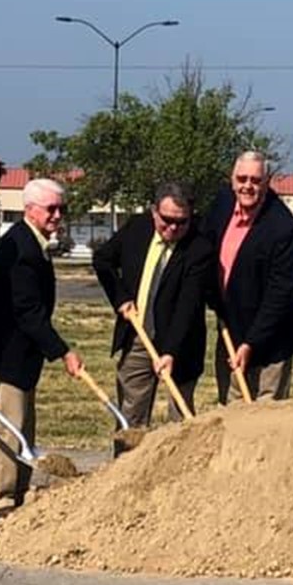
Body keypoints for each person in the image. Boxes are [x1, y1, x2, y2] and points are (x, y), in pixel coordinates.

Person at [0, 178, 85, 518]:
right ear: (30, 209)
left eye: (61, 208)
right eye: (51, 208)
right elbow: (28, 312)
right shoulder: (19, 251)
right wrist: (63, 351)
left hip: (20, 353)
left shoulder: (34, 244)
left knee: (24, 422)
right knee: (9, 424)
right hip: (2, 353)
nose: (57, 215)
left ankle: (17, 490)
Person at [92, 181, 212, 450]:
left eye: (182, 223)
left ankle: (173, 481)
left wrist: (170, 351)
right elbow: (102, 260)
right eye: (167, 220)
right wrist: (120, 297)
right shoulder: (137, 228)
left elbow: (188, 306)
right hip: (138, 337)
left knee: (179, 422)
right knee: (131, 416)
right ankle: (124, 474)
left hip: (181, 345)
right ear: (154, 212)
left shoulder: (199, 248)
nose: (173, 229)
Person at [202, 150, 293, 403]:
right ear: (232, 178)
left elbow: (279, 295)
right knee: (232, 407)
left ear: (267, 181)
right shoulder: (222, 203)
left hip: (273, 337)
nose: (247, 186)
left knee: (266, 417)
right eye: (242, 178)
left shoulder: (282, 228)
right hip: (231, 327)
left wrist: (251, 343)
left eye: (255, 180)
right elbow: (203, 248)